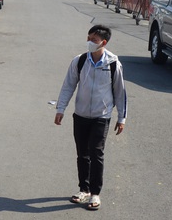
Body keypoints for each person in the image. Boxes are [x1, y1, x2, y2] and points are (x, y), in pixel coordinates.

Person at [54, 24, 127, 211]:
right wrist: (60, 108)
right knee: (82, 154)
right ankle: (83, 189)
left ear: (103, 42)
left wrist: (121, 118)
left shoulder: (112, 64)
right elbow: (68, 85)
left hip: (101, 116)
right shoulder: (79, 61)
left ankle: (95, 193)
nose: (89, 42)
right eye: (88, 38)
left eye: (93, 40)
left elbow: (120, 92)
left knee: (96, 153)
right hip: (80, 115)